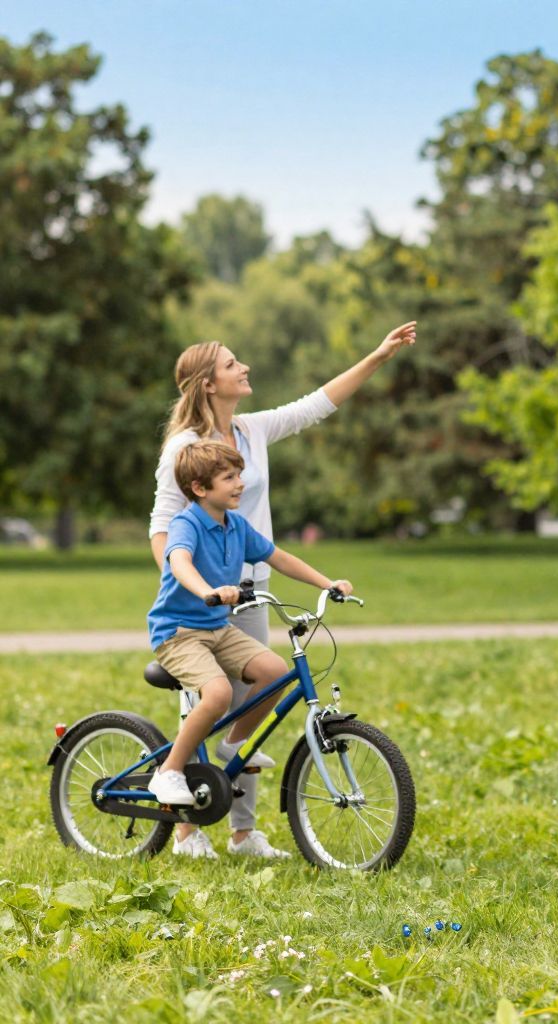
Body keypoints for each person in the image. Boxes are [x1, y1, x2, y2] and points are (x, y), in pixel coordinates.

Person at [149, 320, 416, 858]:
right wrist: (193, 585)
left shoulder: (251, 430)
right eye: (231, 363)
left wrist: (378, 355)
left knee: (256, 703)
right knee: (208, 697)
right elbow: (162, 527)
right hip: (198, 597)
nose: (243, 367)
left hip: (253, 588)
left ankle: (243, 831)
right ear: (208, 383)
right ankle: (186, 829)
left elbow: (318, 403)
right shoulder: (186, 447)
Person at [145, 442, 352, 834]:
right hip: (178, 632)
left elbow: (279, 557)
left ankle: (234, 744)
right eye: (230, 478)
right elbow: (179, 562)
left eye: (239, 475)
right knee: (219, 694)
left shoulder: (236, 525)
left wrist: (329, 583)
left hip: (216, 628)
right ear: (200, 488)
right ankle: (170, 770)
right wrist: (209, 589)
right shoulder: (186, 524)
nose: (240, 484)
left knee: (274, 670)